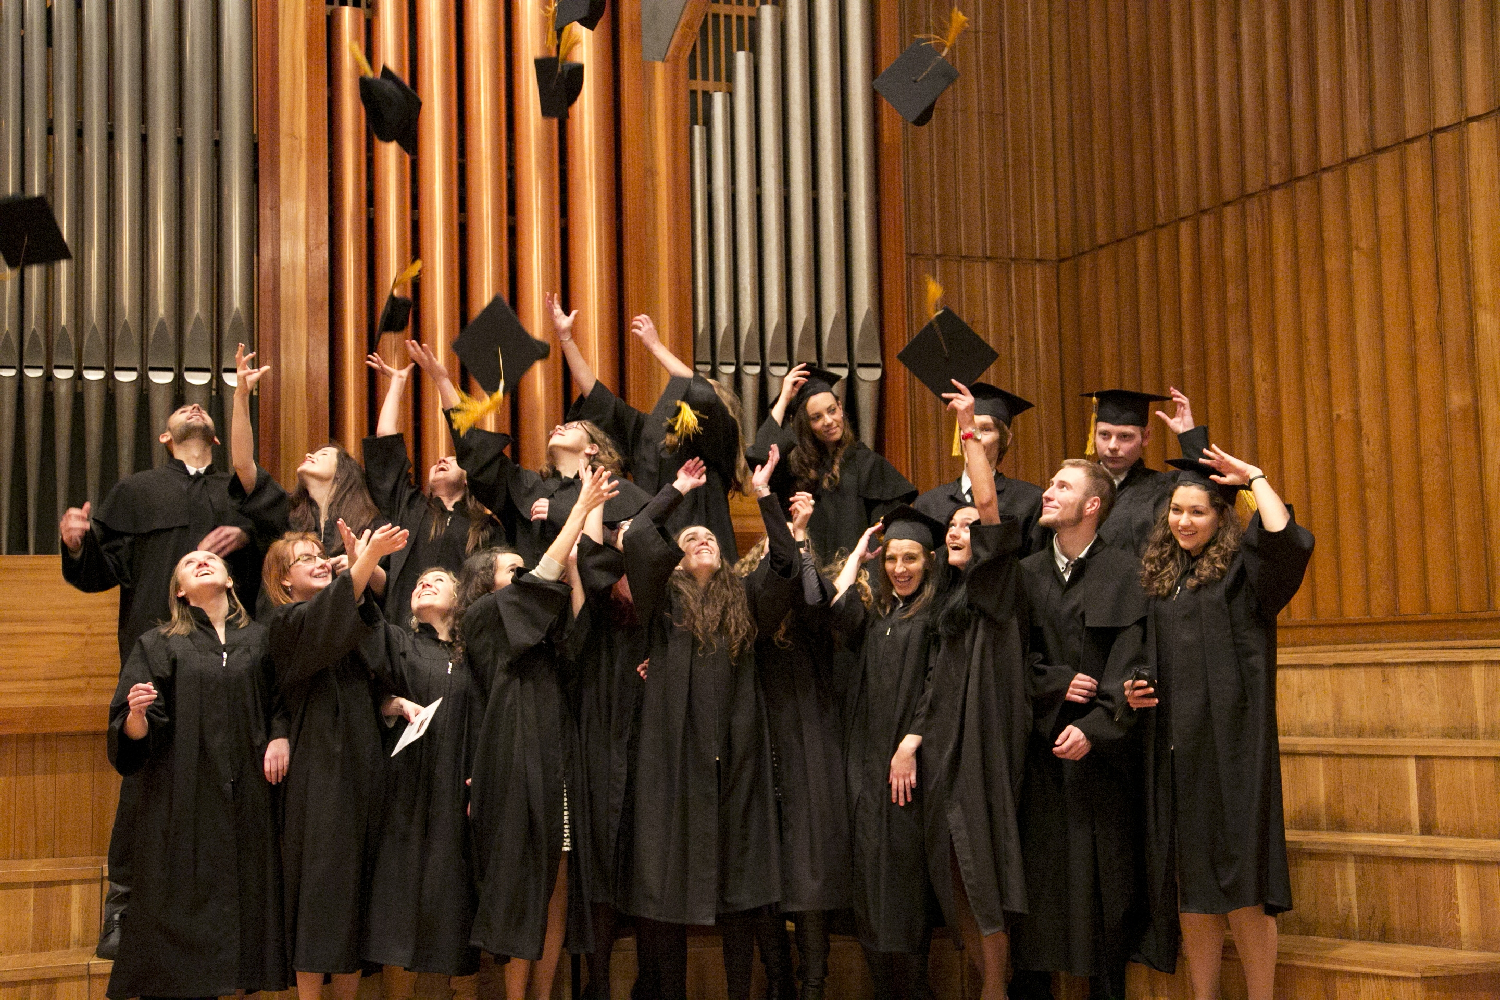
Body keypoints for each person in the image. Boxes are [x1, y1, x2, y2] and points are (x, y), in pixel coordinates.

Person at [58, 398, 259, 958]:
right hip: (155, 653)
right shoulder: (136, 491)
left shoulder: (240, 492)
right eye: (182, 409)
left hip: (232, 656)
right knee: (143, 780)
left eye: (202, 408)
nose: (194, 405)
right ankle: (123, 910)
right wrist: (77, 545)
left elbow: (272, 563)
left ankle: (240, 916)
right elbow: (100, 573)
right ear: (167, 438)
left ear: (216, 438)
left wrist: (246, 538)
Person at [1124, 447, 1314, 1000]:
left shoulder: (1245, 573)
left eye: (1197, 512)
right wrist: (1134, 686)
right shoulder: (1164, 577)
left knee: (1244, 887)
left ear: (1222, 517)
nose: (1183, 521)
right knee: (1193, 890)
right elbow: (1147, 654)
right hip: (1177, 752)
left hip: (1234, 753)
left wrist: (1255, 478)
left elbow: (1286, 540)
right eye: (1176, 510)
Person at [618, 451, 793, 1000]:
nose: (702, 541)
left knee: (743, 890)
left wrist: (765, 499)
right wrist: (675, 490)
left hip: (737, 762)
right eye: (691, 538)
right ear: (674, 560)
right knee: (665, 888)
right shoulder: (662, 598)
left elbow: (785, 563)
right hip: (671, 766)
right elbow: (638, 535)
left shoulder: (746, 599)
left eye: (711, 538)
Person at [104, 549, 287, 999]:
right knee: (178, 939)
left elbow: (283, 699)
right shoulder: (158, 643)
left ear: (230, 580)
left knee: (243, 931)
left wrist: (280, 735)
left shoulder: (262, 639)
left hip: (248, 797)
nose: (202, 562)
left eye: (210, 559)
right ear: (180, 592)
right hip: (182, 797)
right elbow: (131, 736)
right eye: (188, 563)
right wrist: (137, 717)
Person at [464, 466, 618, 1000]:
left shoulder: (540, 631)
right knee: (520, 884)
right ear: (487, 583)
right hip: (514, 758)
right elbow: (538, 585)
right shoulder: (484, 616)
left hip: (558, 760)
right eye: (514, 569)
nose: (527, 573)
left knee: (557, 884)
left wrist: (574, 566)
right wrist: (580, 512)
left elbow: (576, 639)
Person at [1008, 460, 1148, 1000]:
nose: (1046, 492)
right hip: (1039, 755)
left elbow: (1133, 664)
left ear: (1092, 506)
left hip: (1103, 761)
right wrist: (1054, 684)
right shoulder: (1025, 574)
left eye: (1061, 486)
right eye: (1048, 483)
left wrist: (1096, 727)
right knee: (1039, 893)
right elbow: (1008, 661)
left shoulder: (1125, 571)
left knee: (1102, 895)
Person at [264, 521, 410, 1000]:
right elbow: (325, 625)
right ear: (284, 580)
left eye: (321, 554)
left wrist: (392, 703)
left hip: (365, 763)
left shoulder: (352, 615)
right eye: (305, 559)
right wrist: (364, 562)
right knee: (321, 887)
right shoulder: (286, 623)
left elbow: (381, 668)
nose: (320, 561)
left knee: (358, 894)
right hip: (319, 765)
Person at [916, 382, 1029, 1000]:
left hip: (984, 737)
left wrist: (968, 432)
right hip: (946, 740)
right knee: (953, 861)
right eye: (950, 528)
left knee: (981, 858)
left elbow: (986, 504)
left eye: (968, 528)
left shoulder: (996, 581)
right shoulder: (947, 598)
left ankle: (995, 990)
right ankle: (982, 982)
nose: (957, 533)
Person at [826, 504, 945, 1000]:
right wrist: (858, 555)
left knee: (905, 883)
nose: (900, 568)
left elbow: (941, 685)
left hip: (908, 768)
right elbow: (836, 605)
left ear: (929, 560)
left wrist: (912, 742)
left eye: (911, 558)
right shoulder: (880, 614)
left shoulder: (939, 615)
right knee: (868, 880)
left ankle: (916, 990)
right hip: (867, 764)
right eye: (892, 558)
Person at [404, 336, 647, 565]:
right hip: (536, 591)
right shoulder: (528, 486)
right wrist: (443, 381)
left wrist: (563, 513)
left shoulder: (616, 489)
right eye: (559, 426)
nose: (557, 427)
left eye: (570, 426)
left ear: (592, 447)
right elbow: (474, 448)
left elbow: (644, 545)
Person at [361, 565, 484, 999]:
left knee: (455, 906)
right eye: (417, 583)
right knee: (397, 911)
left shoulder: (476, 654)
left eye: (437, 580)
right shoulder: (400, 642)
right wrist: (392, 702)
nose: (423, 584)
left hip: (458, 792)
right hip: (405, 790)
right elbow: (367, 687)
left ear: (461, 598)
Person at [556, 298, 752, 561]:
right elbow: (598, 398)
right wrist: (566, 339)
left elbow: (701, 395)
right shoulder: (649, 436)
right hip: (654, 549)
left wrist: (656, 346)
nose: (683, 402)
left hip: (702, 550)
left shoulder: (719, 443)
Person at [362, 351, 502, 618]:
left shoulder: (486, 527)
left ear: (468, 477)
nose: (442, 460)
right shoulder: (410, 507)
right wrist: (397, 383)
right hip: (404, 626)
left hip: (460, 628)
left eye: (453, 459)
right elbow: (385, 441)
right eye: (439, 460)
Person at [230, 345, 385, 560]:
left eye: (323, 455)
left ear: (342, 474)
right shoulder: (286, 513)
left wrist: (359, 566)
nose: (310, 455)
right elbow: (242, 464)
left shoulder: (368, 522)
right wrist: (241, 395)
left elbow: (386, 577)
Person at [754, 363, 916, 563]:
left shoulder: (868, 464)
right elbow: (760, 457)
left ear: (840, 407)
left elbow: (883, 534)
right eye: (816, 417)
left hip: (855, 572)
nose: (828, 421)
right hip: (806, 570)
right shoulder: (794, 468)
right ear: (806, 425)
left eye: (832, 410)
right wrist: (785, 398)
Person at [913, 382, 1044, 556]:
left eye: (985, 429)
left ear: (1006, 439)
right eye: (967, 428)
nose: (972, 437)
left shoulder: (1029, 501)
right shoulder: (929, 504)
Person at [1084, 387, 1208, 555]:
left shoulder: (1163, 487)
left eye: (1125, 436)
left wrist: (1188, 437)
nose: (1112, 446)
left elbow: (1203, 488)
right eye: (1104, 435)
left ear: (1146, 437)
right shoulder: (1077, 485)